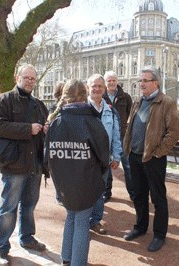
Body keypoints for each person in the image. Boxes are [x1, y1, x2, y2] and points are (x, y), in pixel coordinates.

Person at [45, 79, 110, 266]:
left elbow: (47, 157)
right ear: (84, 95)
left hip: (64, 183)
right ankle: (77, 262)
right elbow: (104, 156)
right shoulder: (92, 122)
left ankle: (66, 258)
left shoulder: (56, 122)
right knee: (81, 221)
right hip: (85, 181)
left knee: (72, 217)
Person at [0, 64, 49, 266]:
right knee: (9, 208)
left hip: (35, 165)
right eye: (27, 78)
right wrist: (28, 129)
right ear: (18, 77)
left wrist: (45, 129)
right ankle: (2, 249)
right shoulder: (3, 100)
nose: (30, 81)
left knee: (30, 206)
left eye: (33, 78)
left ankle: (27, 238)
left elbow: (43, 129)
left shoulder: (39, 105)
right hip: (14, 165)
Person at [122, 66, 179, 252]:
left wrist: (158, 152)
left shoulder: (166, 102)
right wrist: (127, 149)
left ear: (156, 82)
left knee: (158, 197)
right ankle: (140, 228)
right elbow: (131, 127)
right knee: (139, 195)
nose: (141, 84)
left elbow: (173, 132)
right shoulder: (138, 102)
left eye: (145, 81)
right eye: (140, 81)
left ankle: (159, 234)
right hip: (135, 157)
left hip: (153, 158)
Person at [87, 74, 122, 235]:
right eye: (94, 85)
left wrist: (116, 156)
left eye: (100, 86)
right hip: (84, 160)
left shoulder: (110, 111)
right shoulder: (81, 108)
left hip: (103, 160)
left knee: (100, 192)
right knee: (83, 191)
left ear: (104, 89)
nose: (97, 89)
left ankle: (95, 221)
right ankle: (82, 222)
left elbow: (116, 135)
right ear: (88, 87)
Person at [102, 70, 134, 201]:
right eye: (109, 80)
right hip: (104, 137)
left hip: (122, 137)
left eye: (113, 80)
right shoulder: (101, 97)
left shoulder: (125, 97)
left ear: (117, 81)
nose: (111, 83)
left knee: (128, 166)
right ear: (105, 82)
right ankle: (106, 192)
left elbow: (131, 115)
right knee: (105, 165)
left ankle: (133, 193)